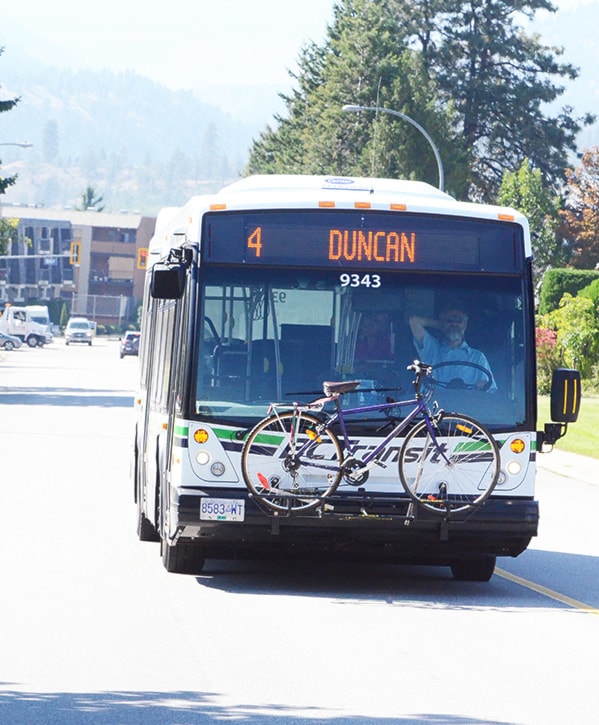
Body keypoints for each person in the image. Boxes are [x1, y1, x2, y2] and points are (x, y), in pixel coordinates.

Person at [408, 303, 496, 391]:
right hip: (433, 404)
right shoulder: (431, 348)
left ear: (465, 324)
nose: (454, 324)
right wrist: (441, 324)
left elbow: (491, 391)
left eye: (459, 321)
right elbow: (414, 321)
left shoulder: (478, 357)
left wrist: (483, 386)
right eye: (449, 321)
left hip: (467, 404)